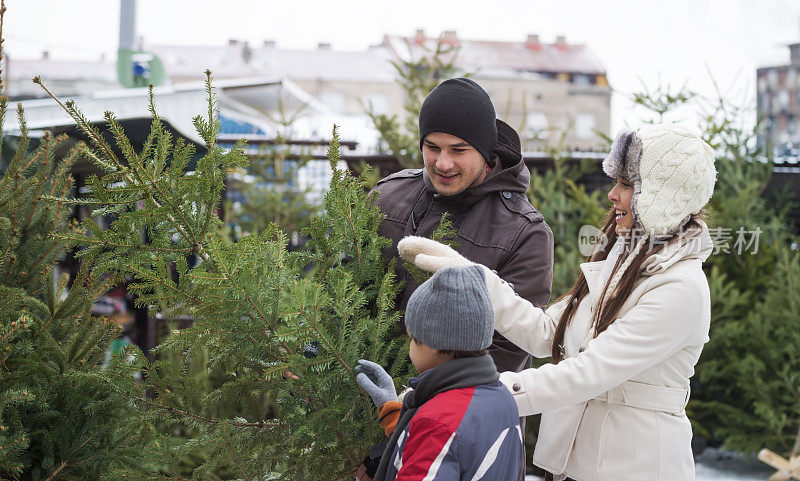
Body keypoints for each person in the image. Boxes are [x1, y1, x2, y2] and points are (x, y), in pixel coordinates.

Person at [397, 124, 717, 481]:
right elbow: (549, 333)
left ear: (663, 197)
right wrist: (475, 278)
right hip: (580, 466)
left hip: (633, 469)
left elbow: (587, 373)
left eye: (626, 186)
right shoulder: (622, 261)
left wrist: (463, 396)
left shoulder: (680, 288)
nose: (612, 195)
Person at [362, 77, 554, 480]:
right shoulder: (387, 198)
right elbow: (348, 291)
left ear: (484, 152)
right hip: (364, 415)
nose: (442, 163)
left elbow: (505, 352)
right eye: (432, 147)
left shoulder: (524, 233)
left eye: (458, 150)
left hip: (459, 439)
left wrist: (405, 417)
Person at [354, 265, 522, 481]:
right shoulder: (503, 398)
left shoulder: (438, 422)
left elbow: (442, 436)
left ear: (434, 343)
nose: (410, 349)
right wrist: (397, 418)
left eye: (413, 339)